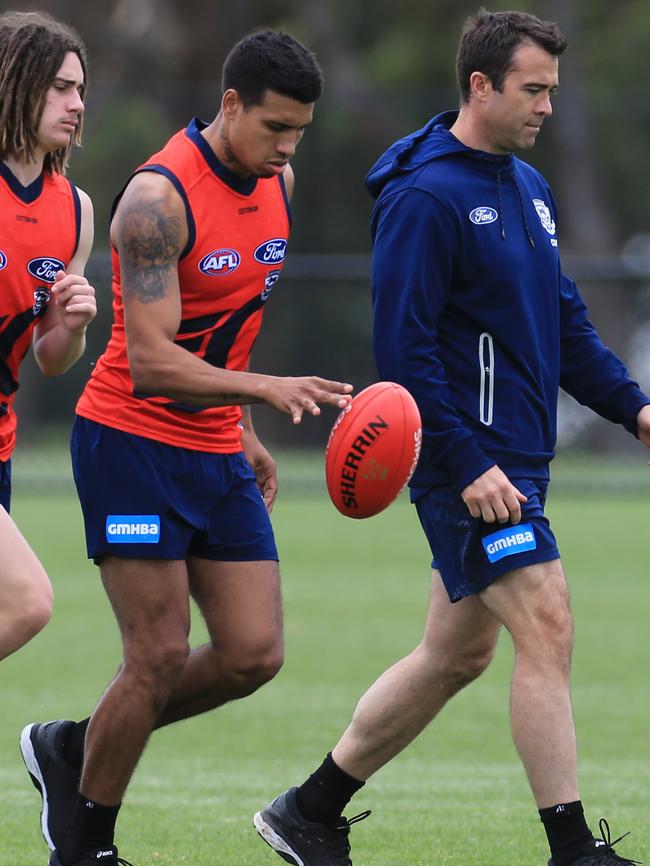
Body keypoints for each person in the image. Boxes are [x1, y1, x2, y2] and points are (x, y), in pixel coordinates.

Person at [253, 9, 650, 866]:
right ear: (480, 86)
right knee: (547, 619)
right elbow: (404, 350)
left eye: (553, 88)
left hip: (518, 461)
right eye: (533, 89)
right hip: (465, 465)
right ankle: (575, 849)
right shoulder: (425, 196)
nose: (548, 104)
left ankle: (308, 812)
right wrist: (465, 463)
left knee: (455, 654)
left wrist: (636, 410)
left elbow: (567, 328)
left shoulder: (528, 189)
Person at [20, 28, 352, 866]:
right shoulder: (157, 200)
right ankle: (86, 845)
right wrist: (265, 396)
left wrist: (242, 433)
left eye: (300, 134)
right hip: (128, 443)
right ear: (230, 104)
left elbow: (225, 328)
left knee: (252, 655)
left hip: (212, 447)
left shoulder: (278, 180)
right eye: (275, 128)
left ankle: (72, 747)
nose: (287, 149)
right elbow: (154, 358)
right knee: (159, 654)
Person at [0, 11, 96, 660]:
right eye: (61, 87)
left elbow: (50, 359)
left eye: (81, 88)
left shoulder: (76, 210)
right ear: (17, 83)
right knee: (27, 602)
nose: (77, 103)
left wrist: (71, 326)